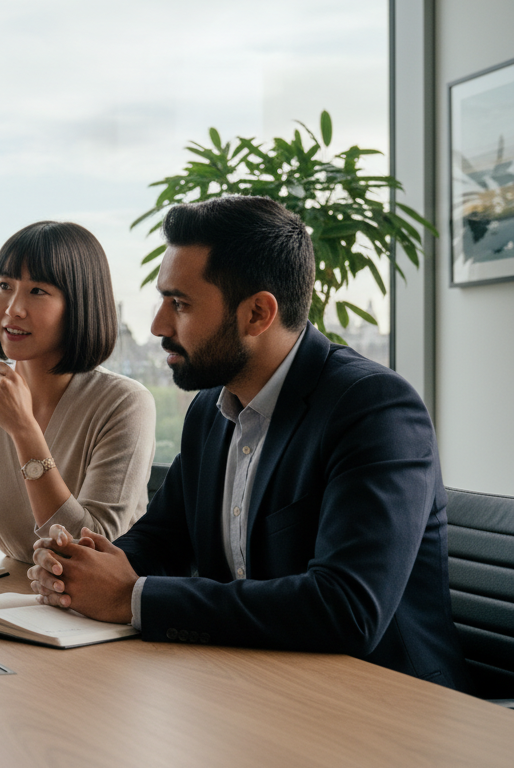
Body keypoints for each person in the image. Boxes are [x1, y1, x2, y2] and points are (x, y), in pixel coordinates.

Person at [27, 195, 469, 690]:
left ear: (258, 313)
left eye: (180, 303)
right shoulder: (210, 410)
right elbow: (165, 538)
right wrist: (83, 565)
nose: (157, 326)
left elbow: (347, 608)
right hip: (250, 682)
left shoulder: (373, 408)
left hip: (387, 704)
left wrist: (133, 597)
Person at [0, 221, 156, 571]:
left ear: (79, 305)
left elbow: (91, 548)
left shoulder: (125, 404)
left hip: (96, 617)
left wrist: (25, 431)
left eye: (37, 291)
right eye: (5, 285)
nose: (12, 309)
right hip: (11, 601)